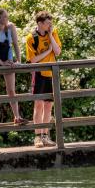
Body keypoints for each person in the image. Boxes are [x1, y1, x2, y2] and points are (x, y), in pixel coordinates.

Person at [25, 11, 62, 148]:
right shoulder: (32, 38)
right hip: (39, 74)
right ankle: (37, 137)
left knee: (48, 106)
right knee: (38, 105)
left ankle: (46, 136)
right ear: (40, 23)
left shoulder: (53, 32)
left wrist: (51, 35)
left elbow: (57, 52)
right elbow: (33, 60)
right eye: (47, 23)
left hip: (51, 74)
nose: (50, 25)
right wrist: (47, 51)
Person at [0, 8, 26, 127]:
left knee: (11, 91)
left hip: (8, 61)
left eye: (7, 16)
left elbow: (15, 45)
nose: (7, 19)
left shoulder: (10, 27)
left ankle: (17, 117)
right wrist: (1, 63)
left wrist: (18, 61)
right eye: (4, 17)